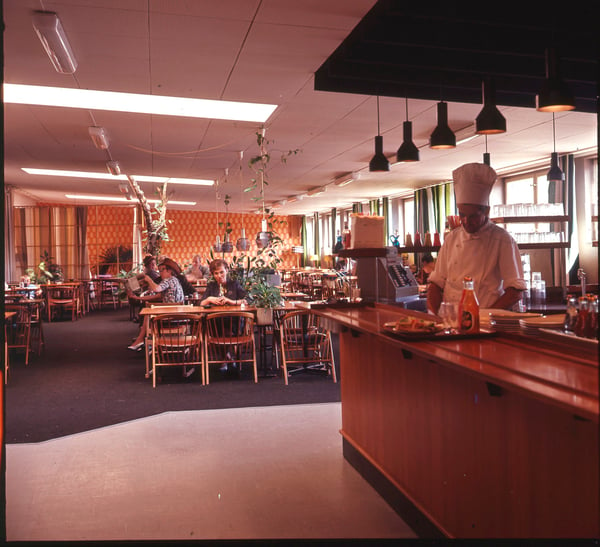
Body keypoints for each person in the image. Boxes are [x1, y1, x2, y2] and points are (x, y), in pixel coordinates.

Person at [427, 162, 526, 314]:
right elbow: (435, 284)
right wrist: (434, 315)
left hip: (486, 320)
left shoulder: (502, 240)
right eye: (462, 215)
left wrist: (484, 316)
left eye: (473, 216)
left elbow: (515, 291)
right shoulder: (451, 239)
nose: (466, 221)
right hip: (451, 319)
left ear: (486, 211)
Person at [127, 257, 185, 351]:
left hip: (172, 315)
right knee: (148, 311)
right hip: (179, 315)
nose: (160, 273)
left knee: (148, 315)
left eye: (161, 270)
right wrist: (138, 298)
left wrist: (149, 280)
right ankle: (142, 339)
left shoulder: (168, 280)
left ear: (169, 271)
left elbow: (156, 289)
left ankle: (142, 340)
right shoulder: (174, 280)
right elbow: (158, 296)